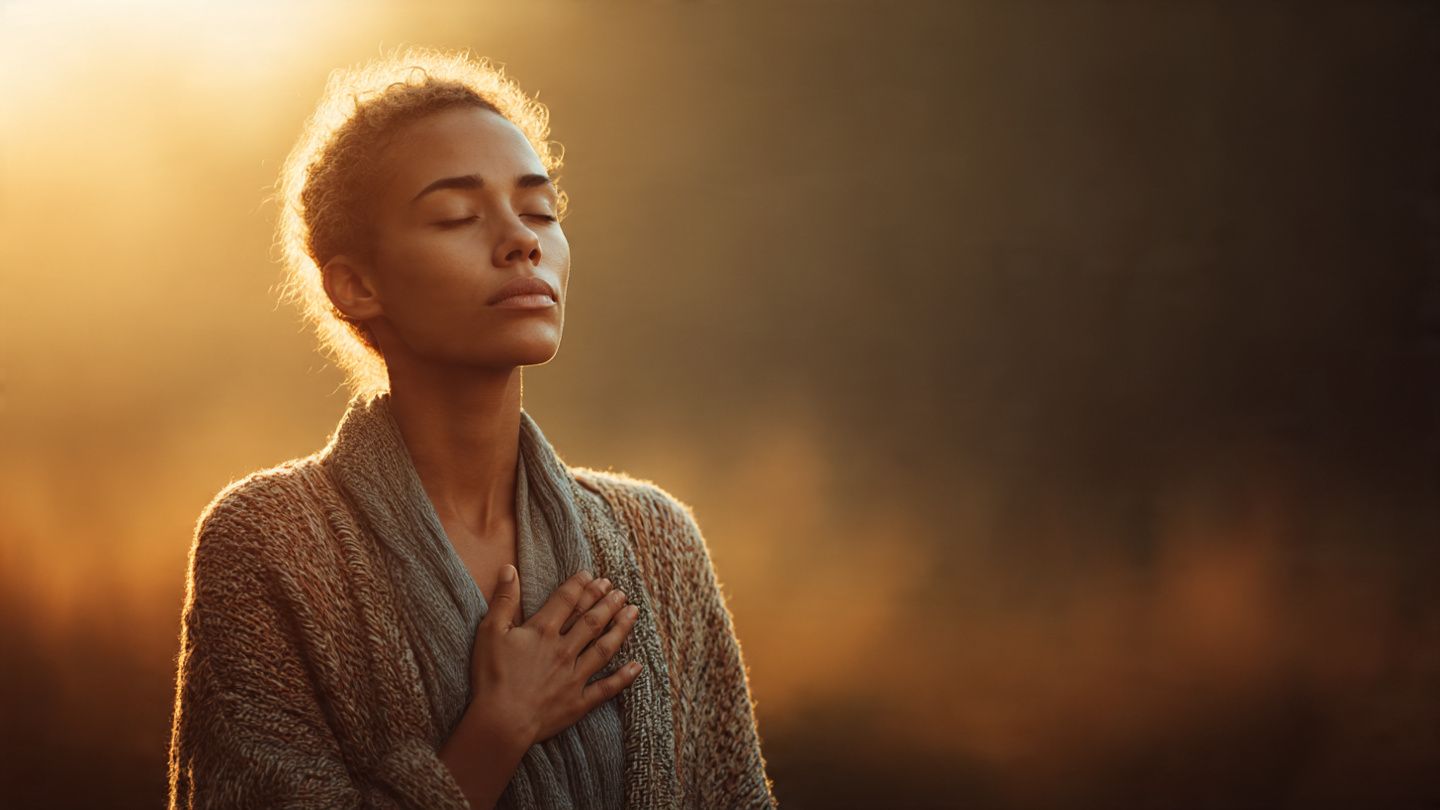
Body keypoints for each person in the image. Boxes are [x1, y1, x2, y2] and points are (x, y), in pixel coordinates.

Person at [166, 46, 778, 810]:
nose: (522, 240)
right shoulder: (268, 542)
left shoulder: (658, 540)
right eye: (457, 215)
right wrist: (499, 726)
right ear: (356, 284)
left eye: (540, 210)